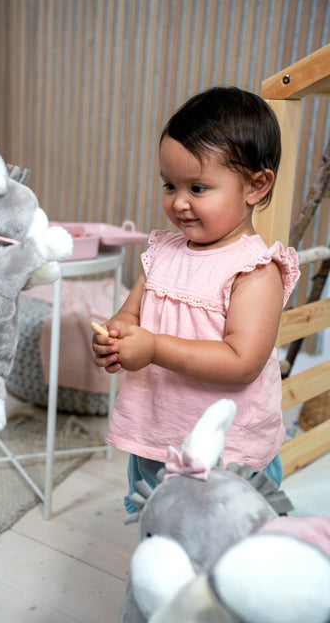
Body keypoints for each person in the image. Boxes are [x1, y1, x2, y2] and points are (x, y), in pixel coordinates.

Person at [92, 86, 300, 513]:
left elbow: (242, 362)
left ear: (256, 186)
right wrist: (116, 336)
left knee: (226, 545)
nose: (179, 202)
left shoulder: (255, 271)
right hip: (158, 437)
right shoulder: (162, 253)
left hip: (228, 453)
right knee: (163, 531)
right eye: (170, 184)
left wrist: (153, 347)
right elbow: (132, 314)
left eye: (199, 187)